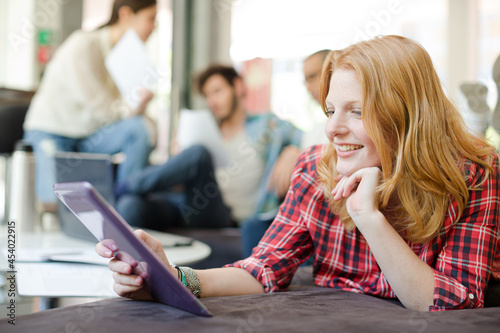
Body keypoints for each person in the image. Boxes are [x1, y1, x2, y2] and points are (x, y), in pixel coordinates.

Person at [96, 35, 500, 311]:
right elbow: (264, 268)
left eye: (355, 111)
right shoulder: (315, 167)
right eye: (330, 111)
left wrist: (369, 218)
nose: (333, 129)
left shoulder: (472, 175)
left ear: (406, 116)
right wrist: (176, 281)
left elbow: (450, 301)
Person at [114, 64, 303, 229]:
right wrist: (179, 160)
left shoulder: (264, 125)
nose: (211, 101)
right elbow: (179, 186)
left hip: (222, 215)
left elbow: (303, 136)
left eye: (217, 91)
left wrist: (292, 151)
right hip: (188, 204)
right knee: (129, 206)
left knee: (199, 153)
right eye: (207, 95)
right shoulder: (205, 130)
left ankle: (126, 184)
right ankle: (126, 190)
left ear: (237, 87)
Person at [23, 0, 157, 205]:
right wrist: (133, 108)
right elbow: (102, 110)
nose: (154, 27)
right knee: (54, 205)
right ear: (126, 15)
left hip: (88, 137)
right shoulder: (83, 45)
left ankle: (126, 205)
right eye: (151, 19)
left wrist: (138, 110)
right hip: (53, 131)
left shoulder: (126, 58)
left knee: (141, 129)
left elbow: (116, 114)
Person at [241, 49, 331, 257]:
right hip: (298, 211)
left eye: (312, 76)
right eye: (305, 80)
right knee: (253, 226)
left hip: (320, 216)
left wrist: (295, 154)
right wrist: (293, 151)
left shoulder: (349, 127)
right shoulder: (315, 130)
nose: (308, 87)